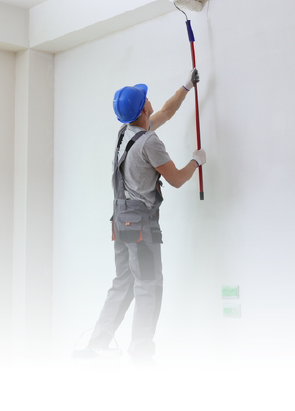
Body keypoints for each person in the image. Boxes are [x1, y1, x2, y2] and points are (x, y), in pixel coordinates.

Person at [86, 68, 206, 365]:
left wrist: (186, 86)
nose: (151, 101)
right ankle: (141, 352)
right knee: (148, 285)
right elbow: (177, 179)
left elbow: (166, 111)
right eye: (145, 99)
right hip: (141, 227)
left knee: (123, 283)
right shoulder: (150, 142)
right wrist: (196, 161)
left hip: (120, 221)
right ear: (143, 110)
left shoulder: (126, 133)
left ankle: (95, 345)